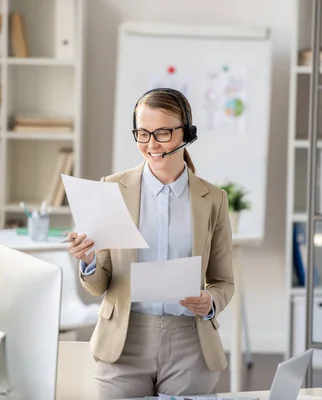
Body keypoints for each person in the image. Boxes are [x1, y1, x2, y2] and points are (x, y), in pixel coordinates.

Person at [66, 87, 235, 399]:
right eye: (142, 134)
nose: (151, 145)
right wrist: (88, 260)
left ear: (188, 134)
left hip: (191, 343)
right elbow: (99, 285)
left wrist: (211, 302)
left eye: (163, 133)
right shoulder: (112, 188)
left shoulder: (213, 199)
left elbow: (223, 281)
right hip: (123, 340)